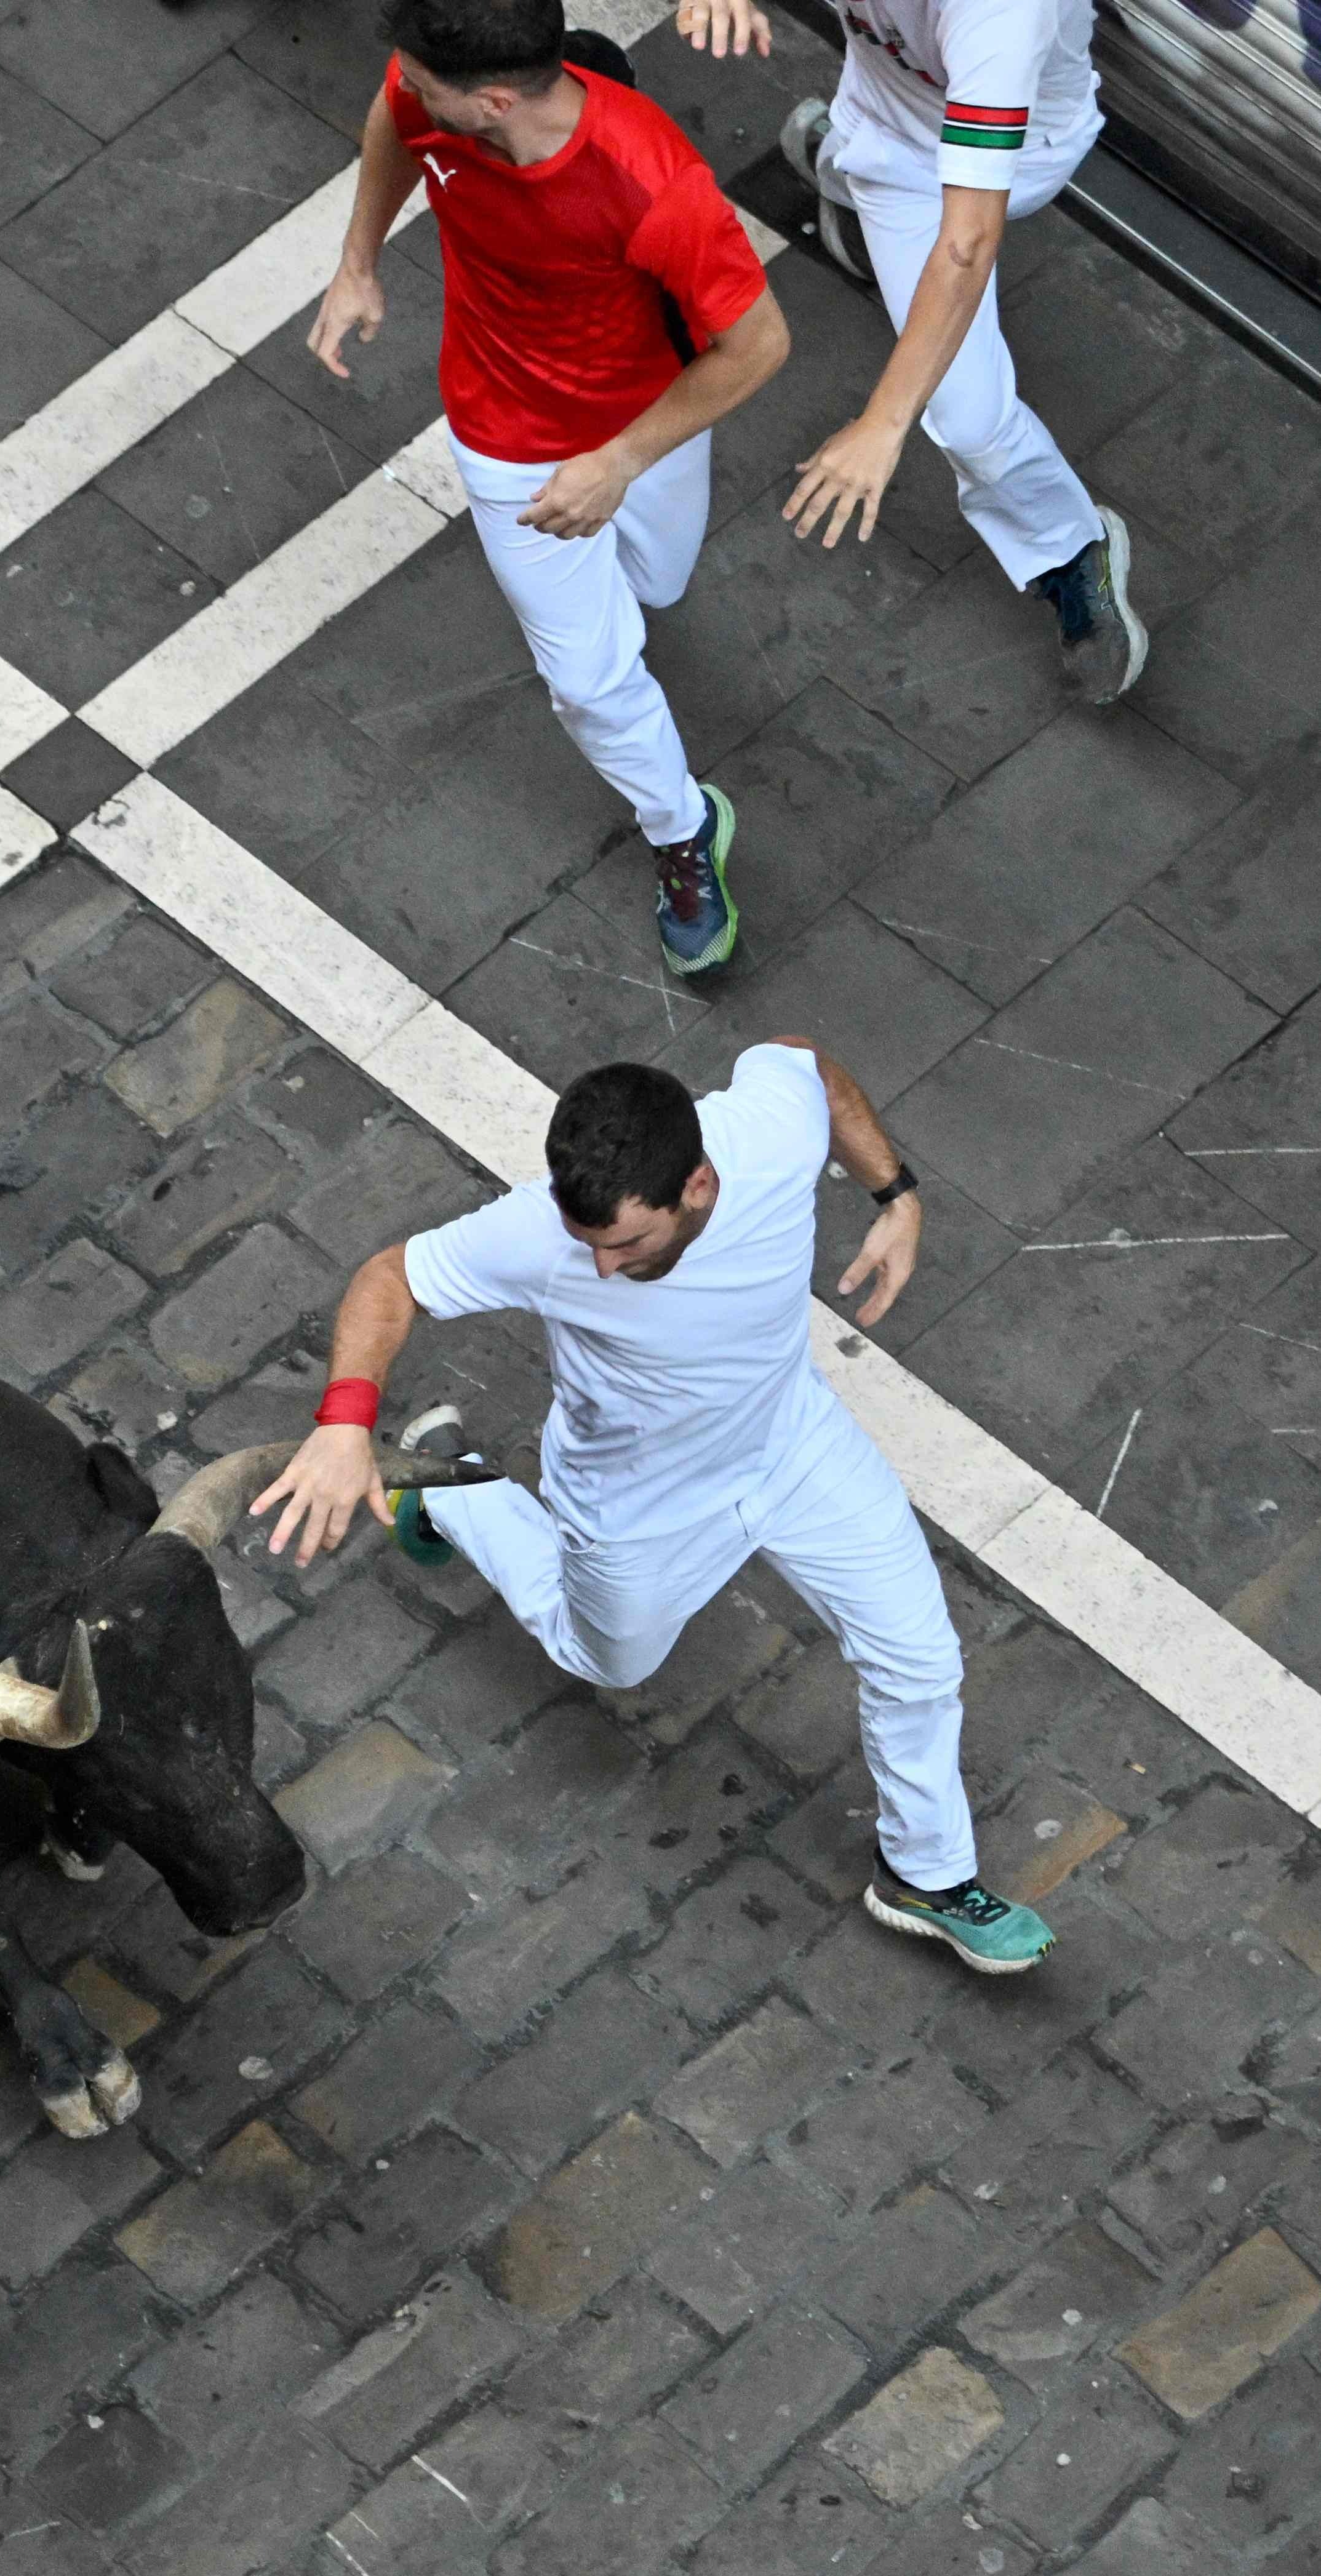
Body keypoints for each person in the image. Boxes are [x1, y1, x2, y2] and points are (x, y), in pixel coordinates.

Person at [249, 1042, 1055, 1974]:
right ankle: (455, 1482)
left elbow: (812, 1067)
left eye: (625, 1244)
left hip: (792, 1444)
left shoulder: (767, 1135)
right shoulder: (540, 1238)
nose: (597, 1269)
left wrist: (897, 1195)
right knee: (608, 1657)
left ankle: (927, 1874)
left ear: (701, 1185)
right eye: (586, 1241)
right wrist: (347, 1424)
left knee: (919, 1658)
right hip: (636, 1502)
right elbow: (390, 1278)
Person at [309, 0, 792, 978]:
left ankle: (628, 617)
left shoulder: (652, 182)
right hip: (504, 440)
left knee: (658, 586)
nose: (405, 86)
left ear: (492, 102)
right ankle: (683, 827)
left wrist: (618, 462)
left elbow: (761, 344)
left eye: (425, 84)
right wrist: (357, 263)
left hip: (640, 430)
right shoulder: (428, 91)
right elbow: (391, 116)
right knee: (589, 679)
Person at [676, 0, 1149, 700]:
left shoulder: (1001, 17)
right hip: (880, 112)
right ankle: (842, 169)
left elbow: (966, 245)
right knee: (860, 150)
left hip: (1008, 158)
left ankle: (1071, 548)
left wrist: (884, 423)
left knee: (966, 420)